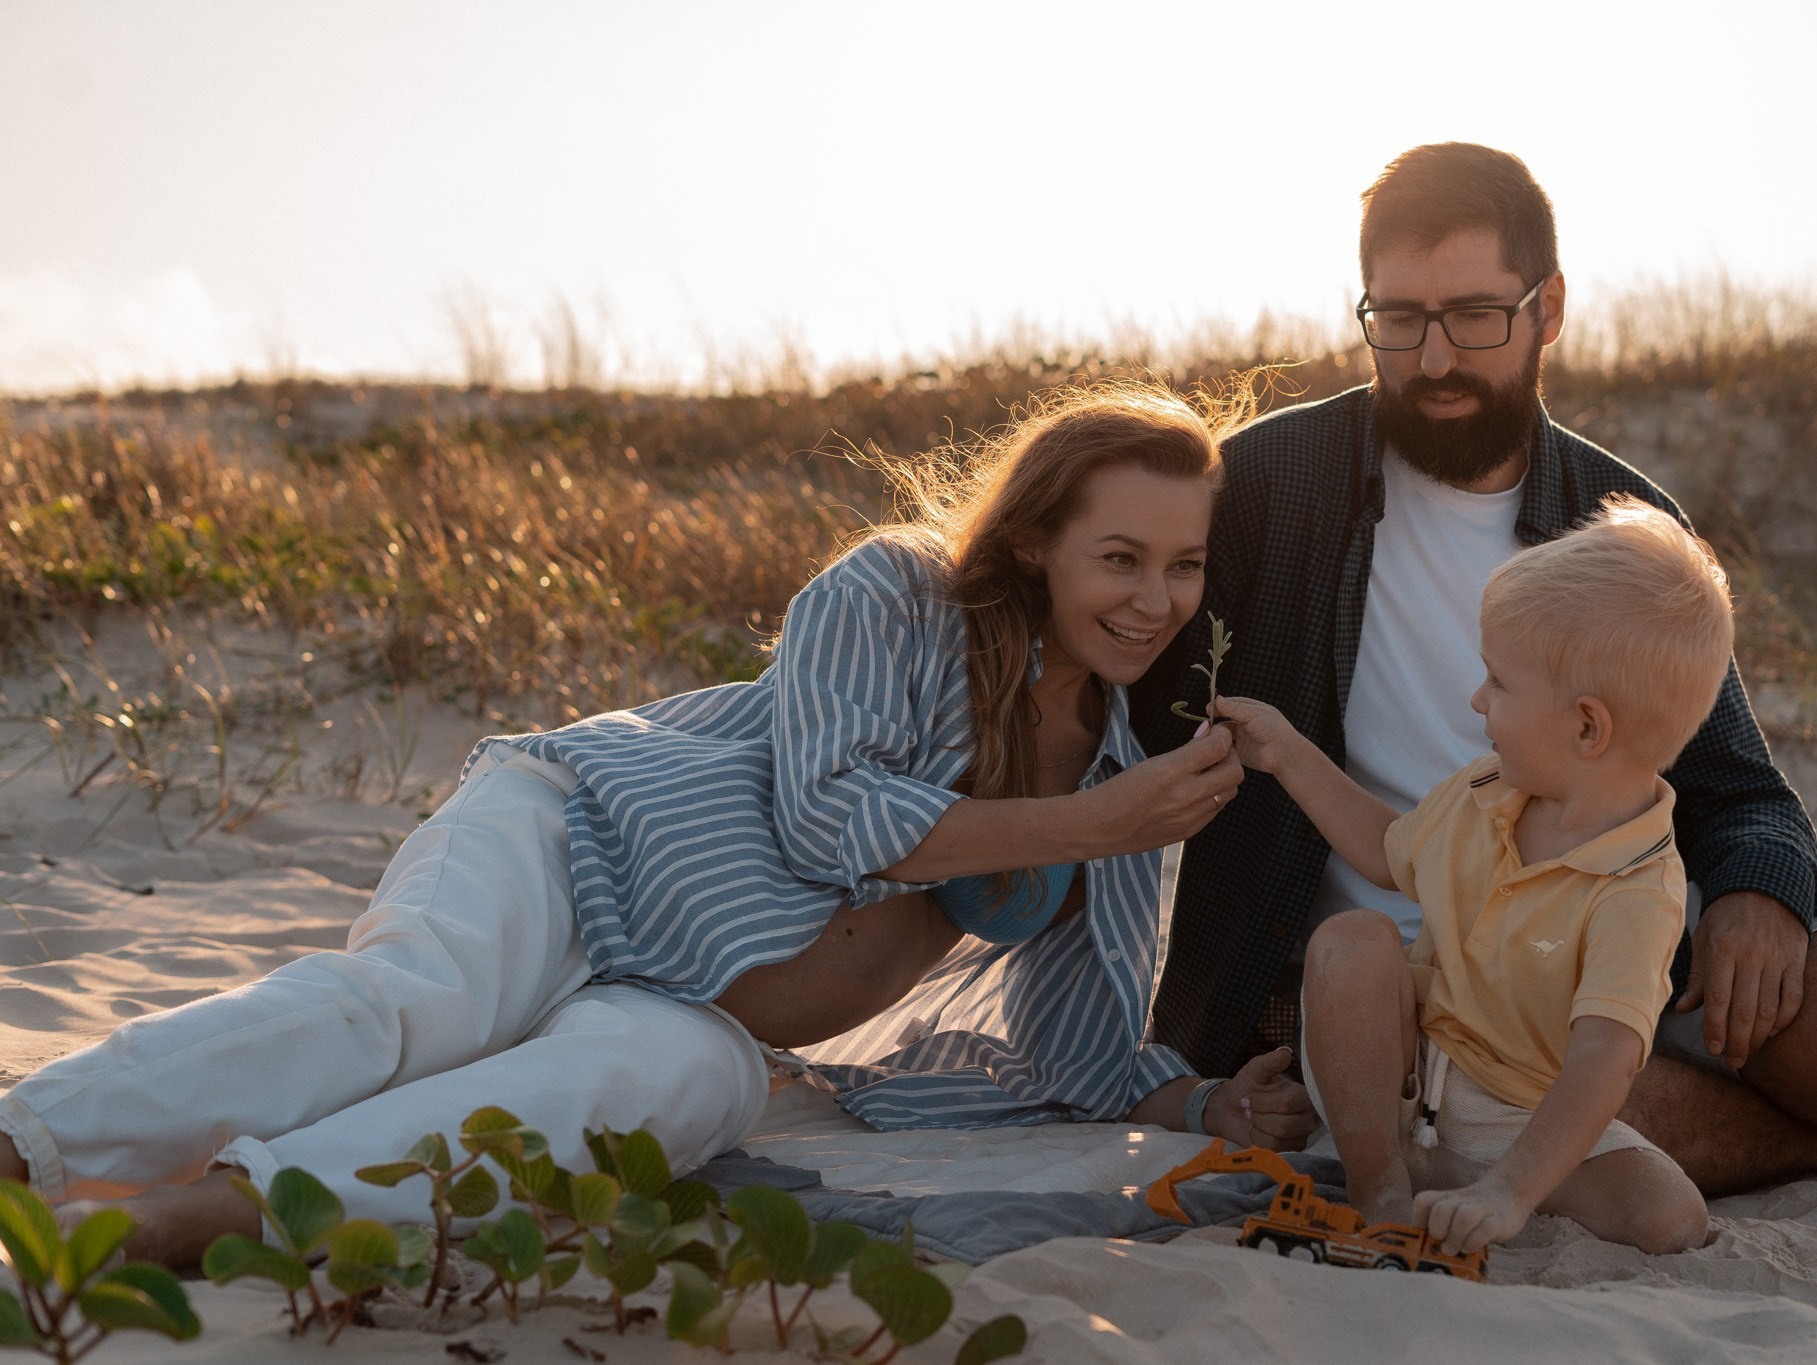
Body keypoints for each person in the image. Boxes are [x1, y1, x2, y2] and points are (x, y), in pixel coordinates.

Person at [0, 382, 1315, 1266]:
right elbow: (826, 818)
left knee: (682, 1089)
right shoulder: (902, 597)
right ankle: (30, 1144)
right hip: (571, 843)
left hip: (696, 1004)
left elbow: (1073, 1039)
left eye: (1184, 564)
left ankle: (209, 1213)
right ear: (1038, 543)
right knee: (428, 1003)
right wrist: (1079, 825)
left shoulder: (1135, 772)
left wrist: (1205, 1096)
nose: (1155, 598)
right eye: (1121, 558)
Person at [1132, 142, 1817, 1210]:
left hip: (1619, 936)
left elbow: (1733, 776)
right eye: (1397, 318)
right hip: (1407, 976)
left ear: (1547, 307)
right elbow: (1125, 676)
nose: (1431, 358)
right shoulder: (1263, 485)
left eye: (1473, 315)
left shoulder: (1617, 517)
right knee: (1597, 1110)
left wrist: (1757, 892)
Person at [1218, 498, 1728, 1259]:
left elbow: (1603, 1061)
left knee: (1671, 1215)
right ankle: (1380, 1182)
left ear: (1587, 726)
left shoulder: (1638, 887)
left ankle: (1456, 1176)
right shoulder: (1487, 790)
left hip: (1516, 1115)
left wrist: (1510, 1190)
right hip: (1392, 1078)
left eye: (1498, 682)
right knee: (1353, 939)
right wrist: (1288, 752)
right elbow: (1389, 853)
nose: (1476, 699)